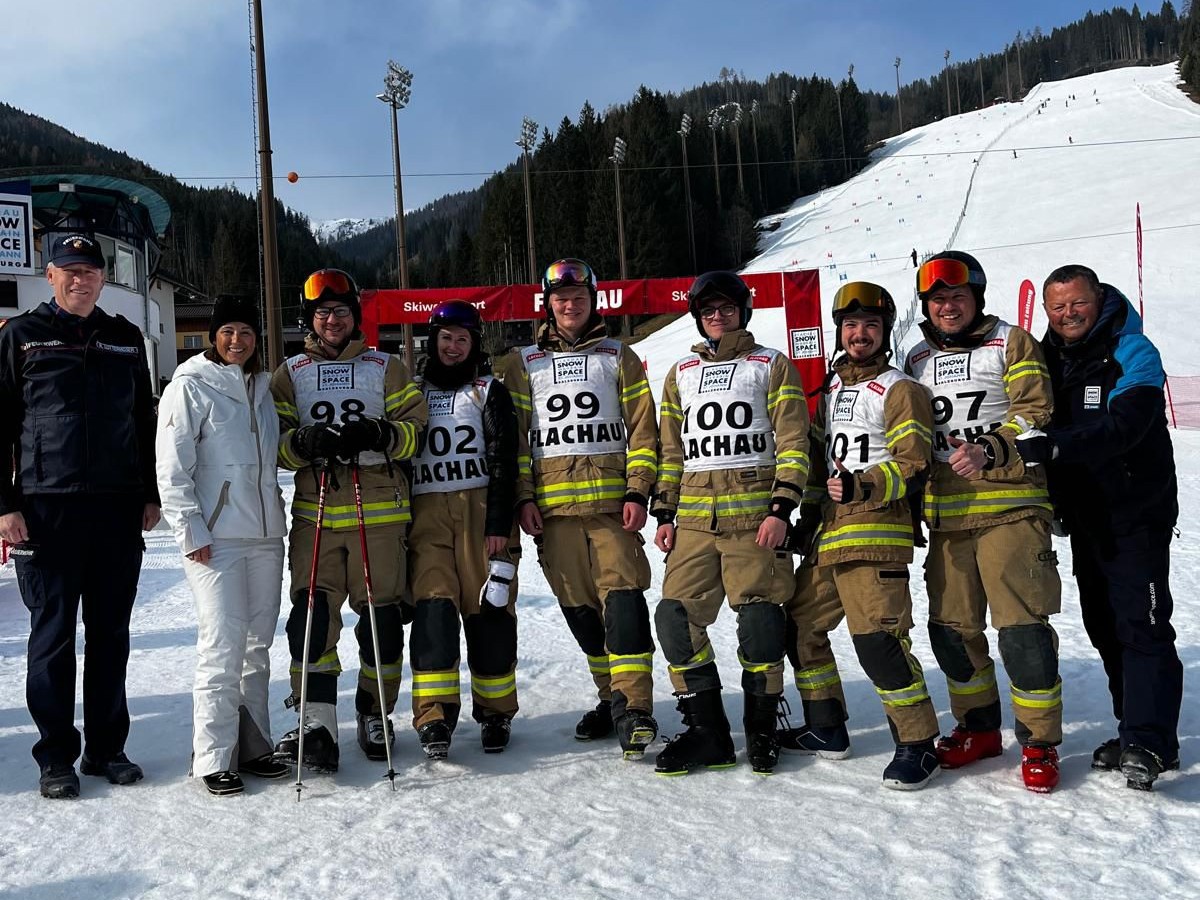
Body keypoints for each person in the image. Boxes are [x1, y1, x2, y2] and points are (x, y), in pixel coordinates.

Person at [0, 233, 160, 799]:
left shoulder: (124, 337)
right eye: (69, 270)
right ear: (50, 275)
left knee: (111, 633)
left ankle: (106, 748)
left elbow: (143, 420)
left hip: (116, 507)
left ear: (102, 278)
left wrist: (149, 493)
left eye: (90, 270)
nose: (80, 279)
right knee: (52, 635)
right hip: (47, 509)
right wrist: (5, 505)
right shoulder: (21, 335)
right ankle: (55, 756)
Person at [1019, 264, 1182, 791]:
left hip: (1136, 514)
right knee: (1104, 625)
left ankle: (1151, 742)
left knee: (1142, 624)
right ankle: (1131, 727)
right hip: (1086, 518)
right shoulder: (1048, 357)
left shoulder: (1132, 350)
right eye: (1057, 307)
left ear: (1100, 299)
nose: (1068, 314)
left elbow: (1126, 425)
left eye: (1078, 303)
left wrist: (1056, 447)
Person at [905, 251, 1063, 793]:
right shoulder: (917, 357)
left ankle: (1039, 740)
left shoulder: (1010, 342)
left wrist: (991, 447)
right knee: (951, 630)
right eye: (937, 299)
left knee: (1021, 630)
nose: (948, 307)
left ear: (976, 297)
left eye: (957, 296)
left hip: (1010, 505)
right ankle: (978, 728)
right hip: (948, 517)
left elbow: (1036, 411)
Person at [781, 281, 941, 789]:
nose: (860, 334)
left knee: (878, 642)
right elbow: (819, 467)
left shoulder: (900, 389)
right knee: (800, 626)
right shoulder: (831, 390)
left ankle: (918, 743)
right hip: (830, 537)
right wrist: (804, 520)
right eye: (851, 325)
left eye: (871, 325)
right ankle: (827, 725)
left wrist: (863, 484)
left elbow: (914, 463)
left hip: (876, 536)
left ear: (884, 331)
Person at [650, 271, 809, 776]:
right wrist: (665, 512)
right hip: (695, 522)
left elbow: (793, 442)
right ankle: (708, 732)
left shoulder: (770, 364)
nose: (717, 317)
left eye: (726, 308)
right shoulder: (681, 372)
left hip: (754, 518)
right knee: (674, 618)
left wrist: (781, 508)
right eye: (708, 310)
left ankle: (761, 729)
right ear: (698, 318)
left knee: (760, 621)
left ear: (743, 312)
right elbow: (671, 451)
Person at [270, 268, 428, 772]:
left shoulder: (385, 366)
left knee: (381, 621)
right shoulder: (290, 372)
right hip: (316, 514)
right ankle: (316, 722)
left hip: (377, 511)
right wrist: (301, 443)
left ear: (354, 315)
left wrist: (382, 434)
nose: (332, 320)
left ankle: (374, 711)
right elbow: (273, 442)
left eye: (340, 311)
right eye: (322, 313)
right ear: (309, 319)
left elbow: (417, 429)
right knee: (310, 619)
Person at [509, 258, 659, 759]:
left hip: (611, 508)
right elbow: (517, 443)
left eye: (578, 298)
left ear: (594, 301)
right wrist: (523, 497)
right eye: (561, 299)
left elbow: (643, 431)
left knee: (624, 600)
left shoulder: (619, 356)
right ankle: (611, 696)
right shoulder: (523, 363)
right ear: (548, 305)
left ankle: (635, 707)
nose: (570, 306)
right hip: (554, 514)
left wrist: (637, 491)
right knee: (579, 611)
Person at [156, 296, 290, 796]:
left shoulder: (262, 388)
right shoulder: (189, 386)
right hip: (217, 539)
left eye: (247, 332)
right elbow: (172, 467)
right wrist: (190, 529)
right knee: (222, 644)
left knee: (257, 646)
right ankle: (213, 756)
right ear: (214, 336)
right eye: (228, 331)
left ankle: (253, 745)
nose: (238, 340)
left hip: (265, 536)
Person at [407, 300, 521, 759]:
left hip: (480, 512)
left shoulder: (488, 390)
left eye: (462, 339)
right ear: (432, 341)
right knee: (433, 609)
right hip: (427, 513)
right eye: (445, 338)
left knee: (489, 612)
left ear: (474, 344)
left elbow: (504, 460)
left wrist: (498, 525)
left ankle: (496, 711)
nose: (452, 347)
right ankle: (433, 714)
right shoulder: (413, 391)